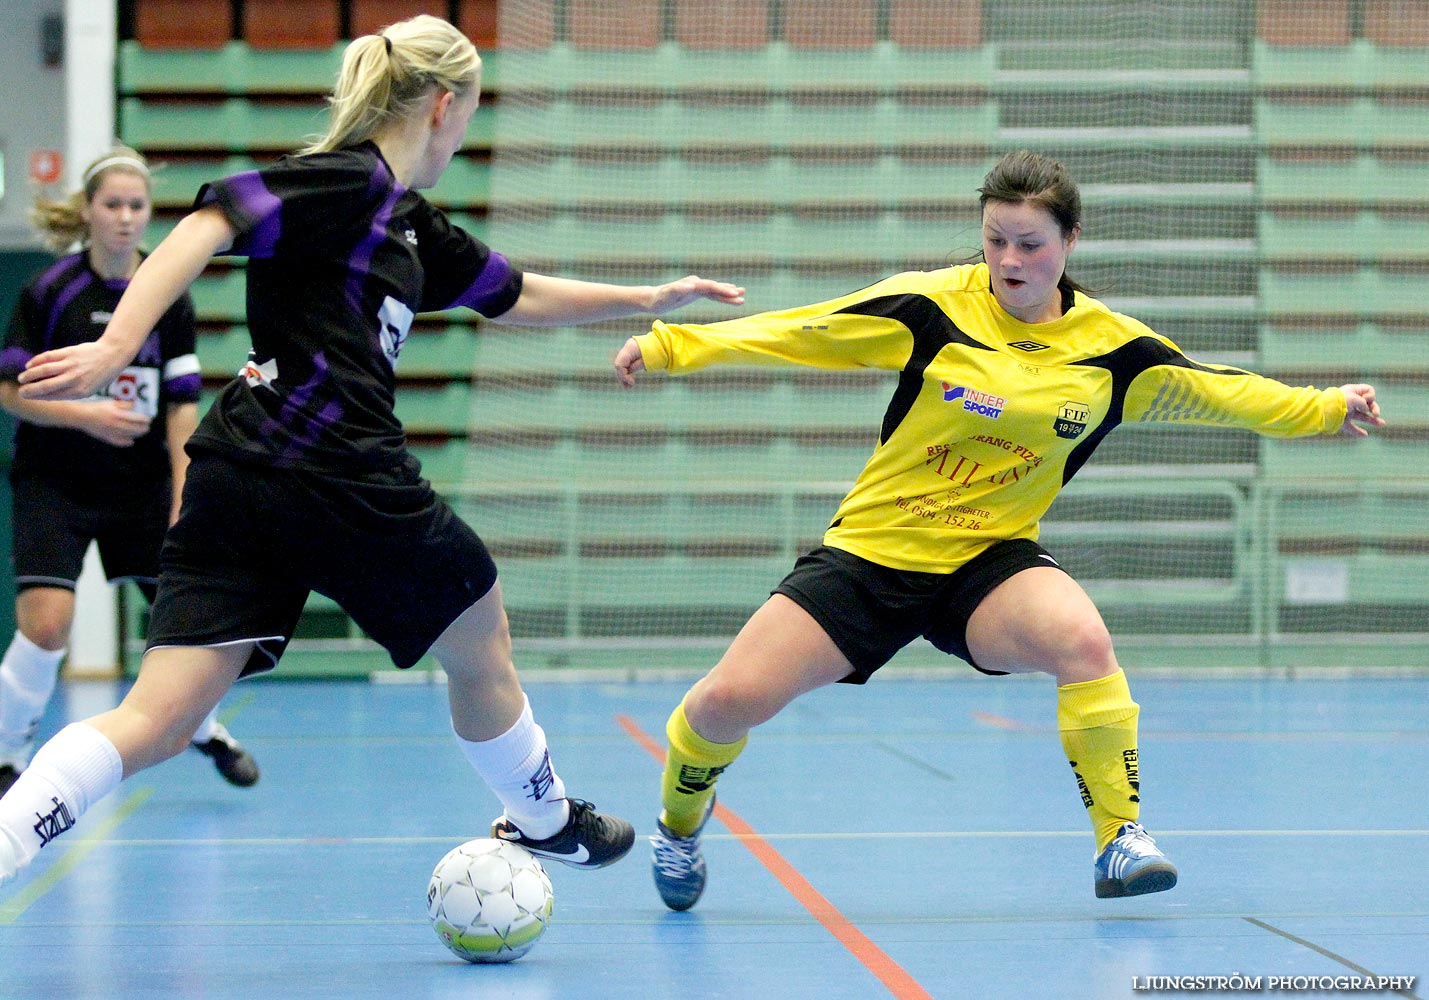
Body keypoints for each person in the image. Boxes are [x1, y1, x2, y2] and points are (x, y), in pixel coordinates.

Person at [0, 15, 744, 889]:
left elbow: (516, 294)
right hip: (339, 469)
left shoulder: (411, 227)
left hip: (237, 473)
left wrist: (646, 296)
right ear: (442, 104)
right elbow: (211, 219)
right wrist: (121, 342)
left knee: (157, 720)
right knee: (480, 627)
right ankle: (542, 817)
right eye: (471, 110)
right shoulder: (347, 180)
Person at [613, 149, 1386, 911]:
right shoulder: (933, 307)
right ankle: (680, 825)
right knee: (724, 704)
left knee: (1082, 643)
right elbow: (808, 329)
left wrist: (1324, 406)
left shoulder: (1113, 352)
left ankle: (1120, 840)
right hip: (874, 554)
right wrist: (674, 344)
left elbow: (1222, 392)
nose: (1009, 260)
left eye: (1029, 243)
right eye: (994, 240)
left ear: (1070, 241)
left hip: (989, 562)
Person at [0, 147, 259, 799]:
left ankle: (204, 727)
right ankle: (8, 754)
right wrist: (86, 415)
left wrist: (182, 493)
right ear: (88, 210)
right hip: (54, 482)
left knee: (182, 625)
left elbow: (180, 407)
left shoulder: (165, 294)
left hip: (140, 489)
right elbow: (9, 391)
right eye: (111, 204)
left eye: (135, 206)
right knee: (48, 624)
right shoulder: (49, 291)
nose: (123, 217)